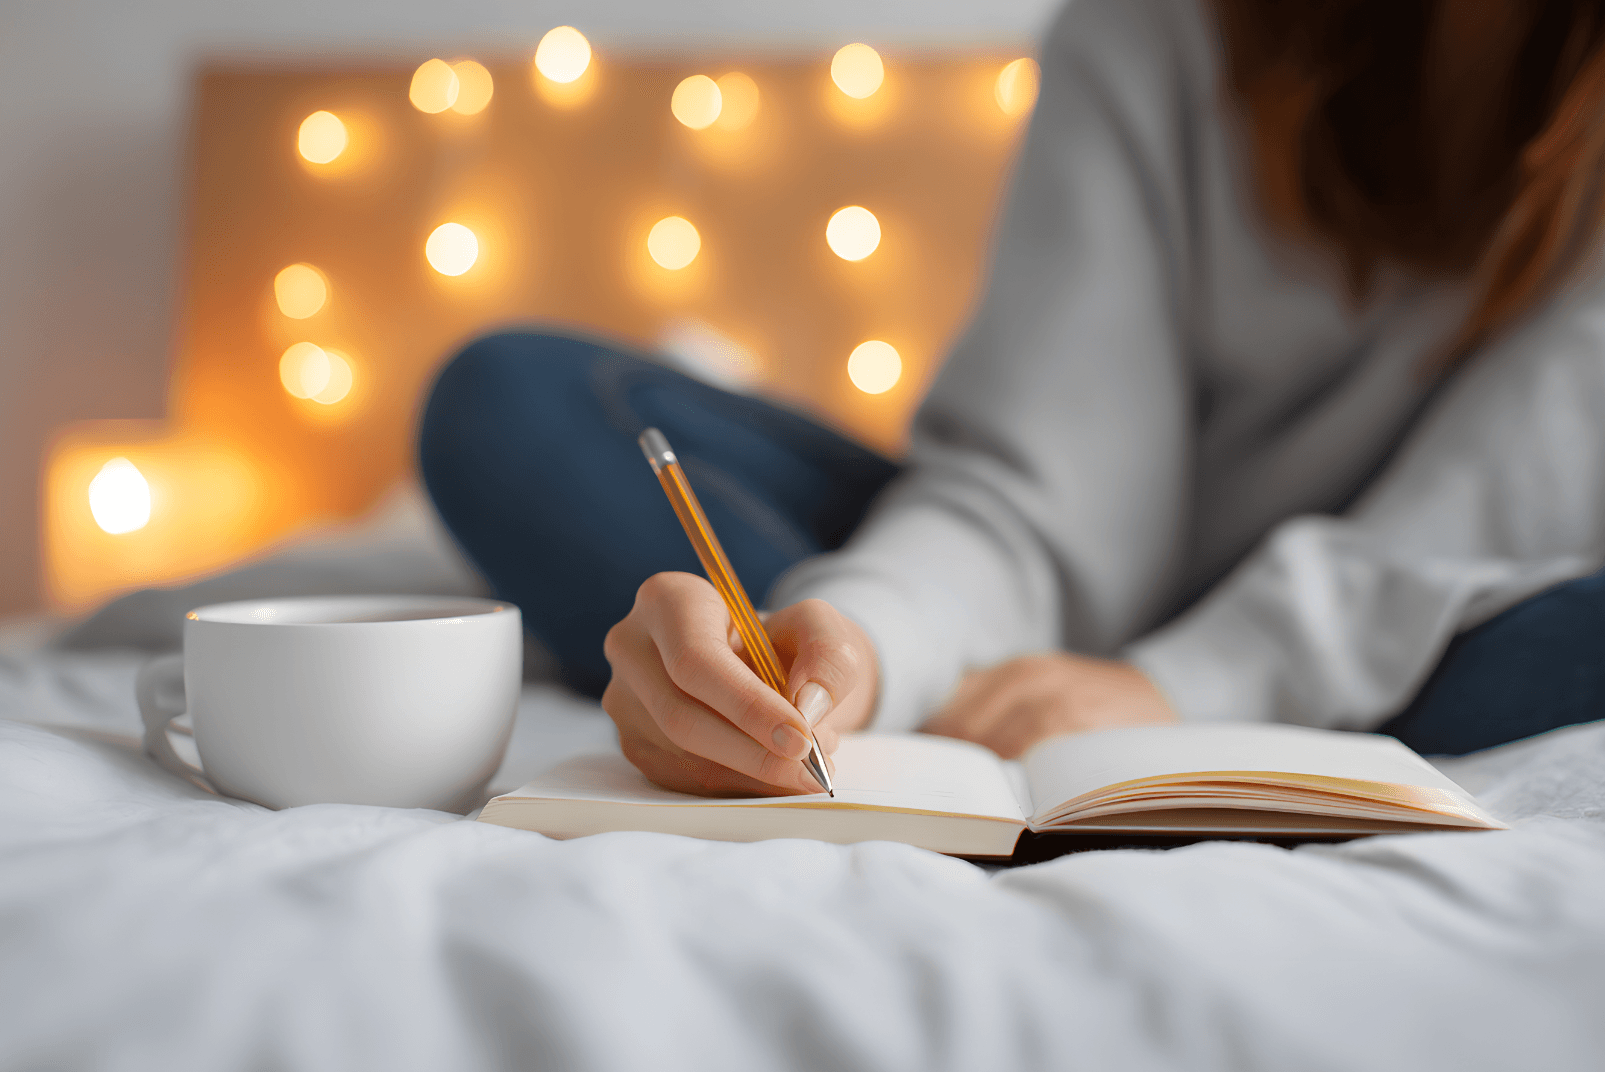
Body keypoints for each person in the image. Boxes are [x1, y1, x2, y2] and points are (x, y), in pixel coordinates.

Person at [420, 0, 1605, 796]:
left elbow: (1485, 514)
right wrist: (862, 643)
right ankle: (839, 704)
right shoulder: (1155, 29)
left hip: (1438, 621)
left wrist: (1182, 689)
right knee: (516, 406)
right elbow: (1029, 500)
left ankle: (1132, 724)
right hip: (1068, 615)